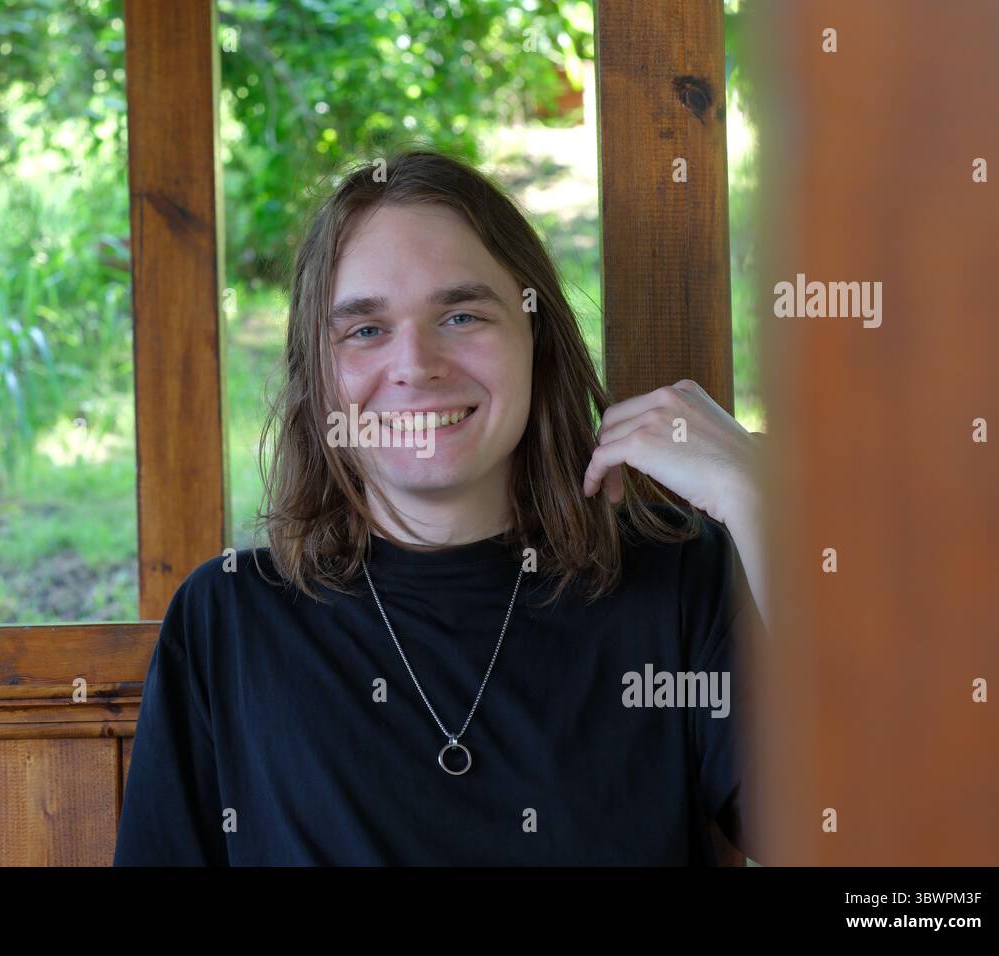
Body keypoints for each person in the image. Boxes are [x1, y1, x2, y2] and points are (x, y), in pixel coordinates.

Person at [114, 147, 767, 866]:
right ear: (319, 379)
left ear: (536, 338)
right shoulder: (229, 619)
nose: (416, 364)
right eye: (364, 329)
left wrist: (763, 504)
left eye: (460, 315)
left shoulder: (679, 584)